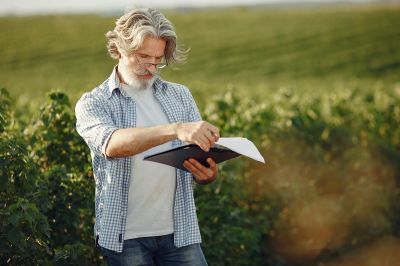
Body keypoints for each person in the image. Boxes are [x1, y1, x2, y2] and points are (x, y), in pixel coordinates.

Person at [75, 8, 220, 266]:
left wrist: (207, 175)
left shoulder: (180, 96)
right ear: (120, 49)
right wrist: (174, 129)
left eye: (158, 59)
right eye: (143, 57)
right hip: (125, 238)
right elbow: (111, 145)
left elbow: (197, 156)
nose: (152, 67)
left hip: (180, 233)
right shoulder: (94, 103)